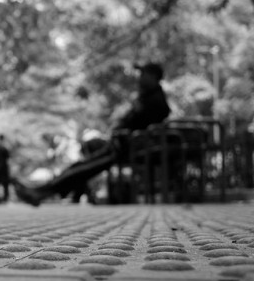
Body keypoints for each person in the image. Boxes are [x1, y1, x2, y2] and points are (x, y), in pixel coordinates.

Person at [16, 62, 171, 206]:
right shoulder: (146, 96)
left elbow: (148, 125)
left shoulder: (155, 100)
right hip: (120, 144)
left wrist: (125, 132)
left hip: (126, 148)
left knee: (84, 168)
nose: (140, 78)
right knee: (81, 164)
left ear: (153, 76)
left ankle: (42, 192)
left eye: (144, 74)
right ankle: (42, 191)